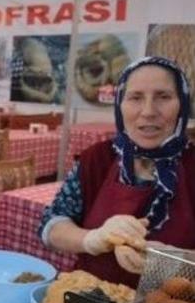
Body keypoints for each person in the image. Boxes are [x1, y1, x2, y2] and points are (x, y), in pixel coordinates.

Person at [39, 57, 194, 287]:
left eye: (163, 97)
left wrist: (180, 263)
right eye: (135, 97)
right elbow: (51, 226)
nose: (149, 111)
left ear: (182, 103)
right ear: (120, 104)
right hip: (89, 301)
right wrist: (92, 239)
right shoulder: (97, 158)